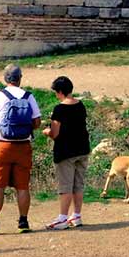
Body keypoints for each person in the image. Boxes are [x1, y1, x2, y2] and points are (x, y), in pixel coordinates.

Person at [0, 63, 41, 236]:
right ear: (20, 78)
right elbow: (36, 123)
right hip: (23, 146)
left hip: (2, 145)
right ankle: (23, 222)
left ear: (5, 78)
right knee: (22, 186)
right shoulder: (29, 97)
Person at [43, 75, 90, 230]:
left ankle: (62, 217)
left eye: (56, 92)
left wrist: (47, 131)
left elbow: (55, 133)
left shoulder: (59, 109)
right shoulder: (80, 105)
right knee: (78, 185)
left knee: (66, 186)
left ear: (60, 92)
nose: (56, 95)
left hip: (66, 151)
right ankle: (76, 215)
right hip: (82, 149)